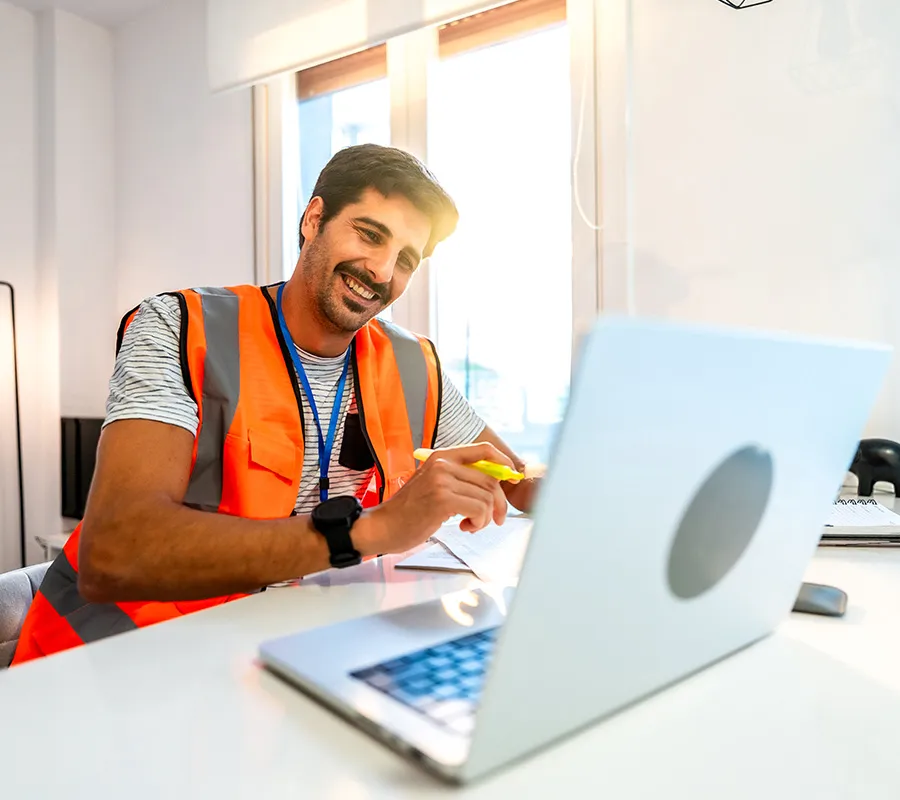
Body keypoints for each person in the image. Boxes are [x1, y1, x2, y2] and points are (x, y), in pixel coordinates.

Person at [11, 144, 539, 666]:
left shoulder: (415, 363)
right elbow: (114, 554)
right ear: (314, 218)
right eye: (369, 234)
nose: (381, 270)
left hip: (276, 652)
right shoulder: (178, 326)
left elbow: (514, 479)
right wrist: (376, 528)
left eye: (406, 259)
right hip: (112, 665)